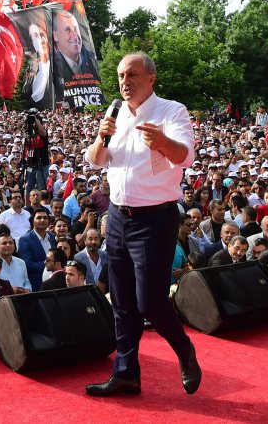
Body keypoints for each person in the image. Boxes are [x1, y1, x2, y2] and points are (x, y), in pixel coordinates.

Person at [84, 52, 201, 397]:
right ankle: (126, 373)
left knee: (150, 301)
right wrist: (100, 137)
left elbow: (186, 156)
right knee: (120, 301)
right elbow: (96, 161)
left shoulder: (171, 111)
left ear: (151, 78)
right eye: (121, 75)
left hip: (154, 218)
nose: (124, 82)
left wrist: (162, 142)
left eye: (132, 74)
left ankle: (185, 351)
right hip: (119, 218)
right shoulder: (113, 111)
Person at [51, 9, 98, 101]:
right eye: (68, 30)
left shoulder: (92, 58)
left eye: (76, 29)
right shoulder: (51, 66)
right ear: (55, 36)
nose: (75, 35)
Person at [18, 208, 53, 292]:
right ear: (33, 221)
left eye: (45, 218)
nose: (42, 220)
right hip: (37, 284)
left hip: (53, 283)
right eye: (39, 218)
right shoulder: (25, 239)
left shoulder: (52, 237)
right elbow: (27, 264)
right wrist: (49, 265)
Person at [23, 19, 53, 109]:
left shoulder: (56, 63)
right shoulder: (31, 67)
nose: (41, 40)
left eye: (42, 35)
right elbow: (25, 91)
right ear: (32, 42)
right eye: (36, 36)